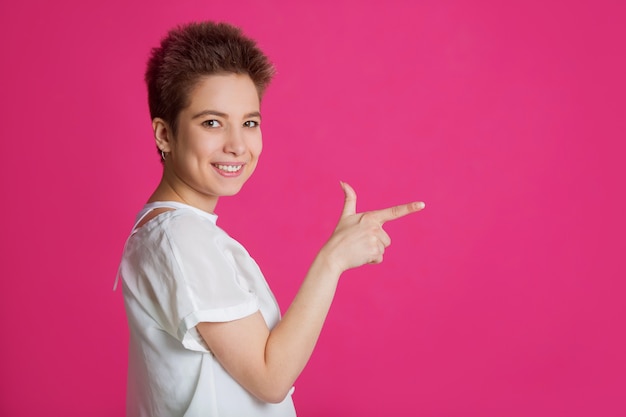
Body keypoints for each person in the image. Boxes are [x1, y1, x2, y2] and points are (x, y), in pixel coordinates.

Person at [116, 21, 425, 417]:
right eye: (212, 122)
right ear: (164, 134)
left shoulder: (172, 231)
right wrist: (332, 262)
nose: (237, 145)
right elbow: (269, 379)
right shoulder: (180, 237)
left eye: (249, 122)